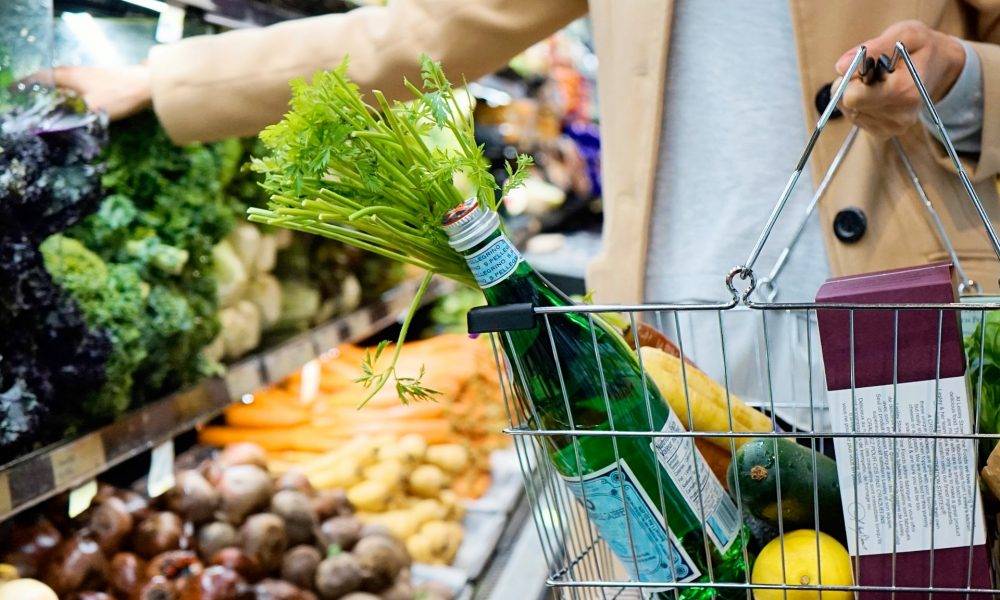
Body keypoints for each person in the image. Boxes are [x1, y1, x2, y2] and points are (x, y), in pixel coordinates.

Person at [54, 1, 1000, 427]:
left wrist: (958, 86)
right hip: (672, 352)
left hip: (913, 340)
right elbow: (417, 32)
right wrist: (168, 80)